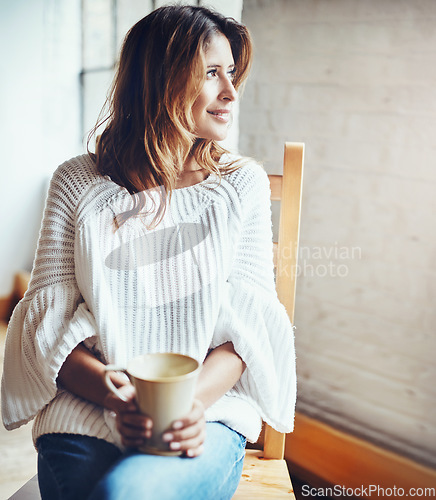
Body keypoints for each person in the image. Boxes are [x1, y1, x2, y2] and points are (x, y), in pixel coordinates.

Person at [1, 5, 296, 499]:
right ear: (162, 79)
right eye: (211, 73)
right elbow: (45, 326)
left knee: (127, 492)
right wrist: (119, 400)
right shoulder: (76, 183)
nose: (230, 91)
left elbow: (248, 331)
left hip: (205, 415)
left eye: (232, 73)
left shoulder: (241, 185)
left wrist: (186, 406)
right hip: (85, 408)